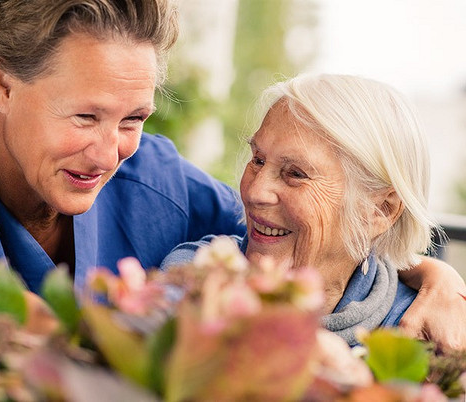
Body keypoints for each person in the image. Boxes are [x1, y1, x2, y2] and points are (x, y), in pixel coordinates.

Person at [0, 1, 463, 348]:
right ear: (4, 87)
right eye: (85, 116)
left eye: (132, 119)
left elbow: (298, 230)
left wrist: (430, 273)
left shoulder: (153, 174)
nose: (107, 154)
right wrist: (149, 341)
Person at [161, 73, 464, 347]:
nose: (255, 192)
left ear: (380, 210)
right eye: (258, 160)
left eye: (295, 174)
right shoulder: (192, 279)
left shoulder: (423, 332)